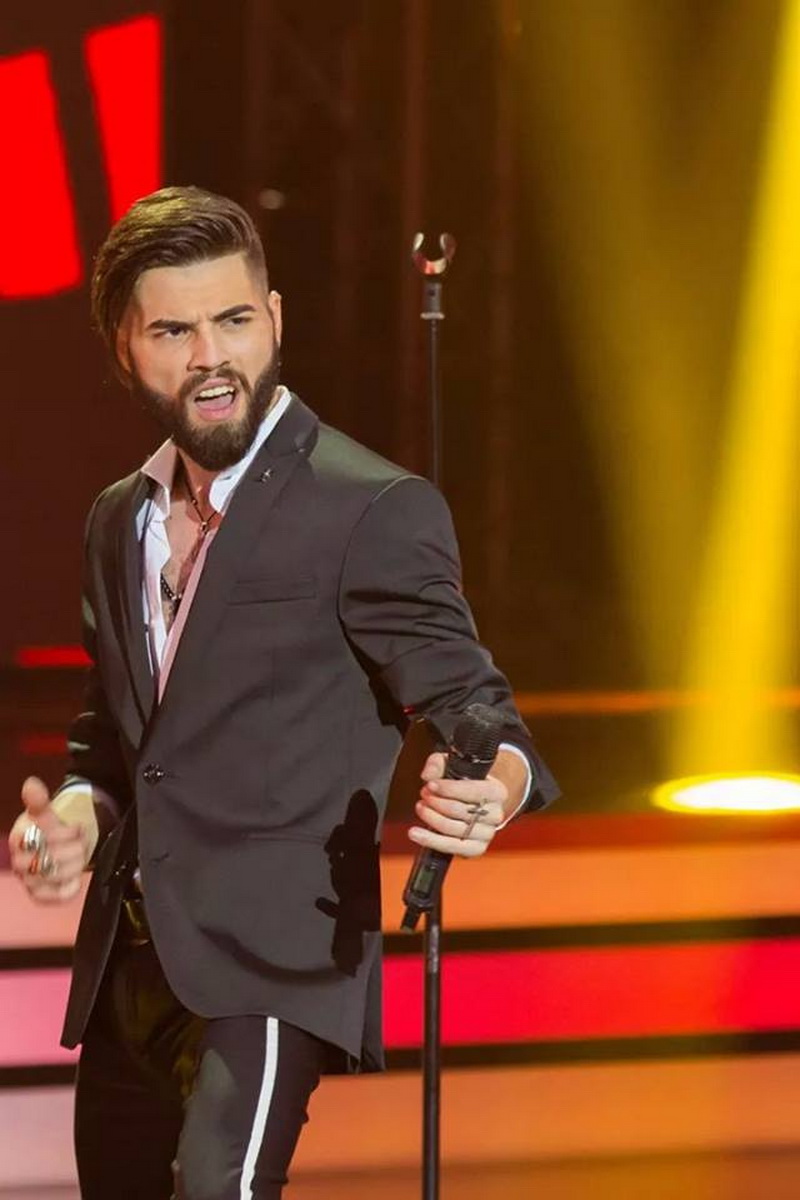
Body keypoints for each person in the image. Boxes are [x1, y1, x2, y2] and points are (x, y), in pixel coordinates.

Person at [8, 187, 558, 1200]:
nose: (210, 356)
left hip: (273, 961)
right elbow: (114, 747)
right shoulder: (116, 521)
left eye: (233, 320)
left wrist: (497, 783)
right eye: (172, 331)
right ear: (123, 348)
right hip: (131, 964)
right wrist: (75, 819)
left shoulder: (367, 508)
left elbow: (476, 705)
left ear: (274, 317)